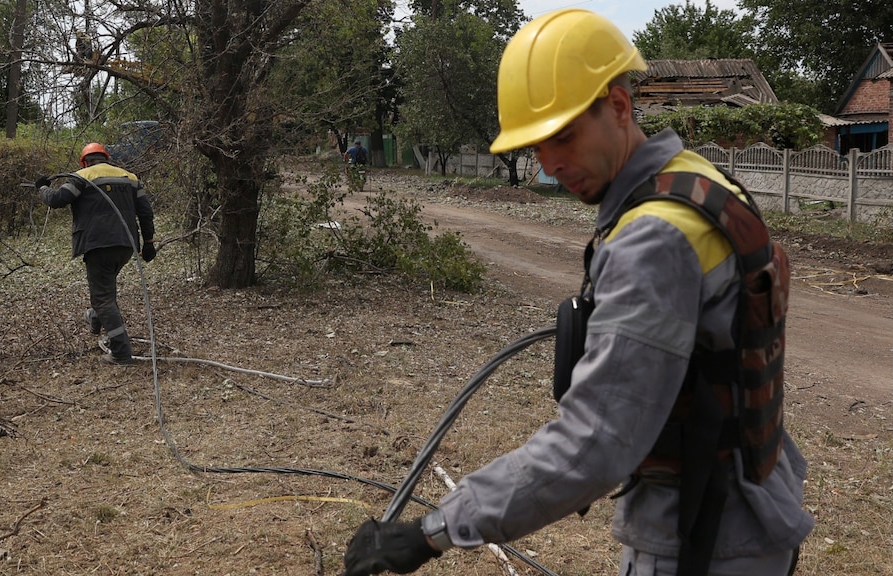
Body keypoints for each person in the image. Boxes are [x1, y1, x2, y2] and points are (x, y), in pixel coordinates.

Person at [342, 9, 812, 576]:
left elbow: (597, 442)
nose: (551, 162)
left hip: (703, 537)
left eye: (563, 135)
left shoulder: (653, 240)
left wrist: (431, 531)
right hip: (749, 511)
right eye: (537, 146)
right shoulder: (700, 183)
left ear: (618, 106)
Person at [35, 142, 156, 365]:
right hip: (126, 245)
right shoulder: (129, 177)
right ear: (106, 158)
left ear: (84, 161)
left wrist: (42, 188)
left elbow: (57, 200)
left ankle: (120, 353)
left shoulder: (83, 176)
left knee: (102, 299)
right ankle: (95, 317)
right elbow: (146, 212)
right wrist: (148, 242)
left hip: (98, 244)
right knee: (105, 293)